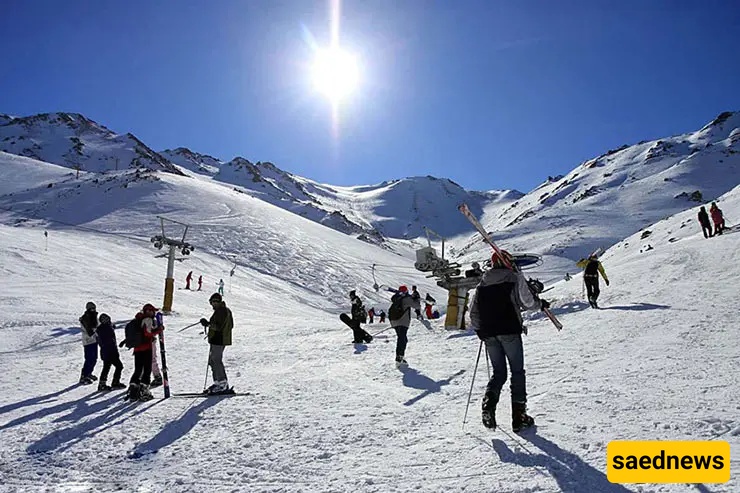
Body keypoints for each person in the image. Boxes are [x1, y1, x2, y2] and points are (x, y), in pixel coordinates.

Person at [469, 250, 549, 432]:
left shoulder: (482, 284)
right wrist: (541, 304)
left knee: (499, 373)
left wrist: (480, 331)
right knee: (517, 372)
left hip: (489, 333)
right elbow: (527, 302)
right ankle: (519, 417)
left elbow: (473, 312)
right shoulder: (514, 277)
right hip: (509, 329)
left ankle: (488, 405)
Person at [126, 303, 164, 401]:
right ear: (148, 311)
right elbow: (148, 333)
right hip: (146, 348)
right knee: (147, 370)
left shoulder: (137, 320)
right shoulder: (147, 319)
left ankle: (133, 391)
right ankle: (144, 391)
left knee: (138, 369)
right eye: (152, 311)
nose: (153, 313)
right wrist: (159, 330)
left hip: (137, 348)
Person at [199, 293, 234, 394]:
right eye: (212, 302)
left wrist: (208, 324)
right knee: (212, 361)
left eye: (216, 301)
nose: (214, 304)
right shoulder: (220, 311)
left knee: (216, 360)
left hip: (219, 339)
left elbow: (219, 326)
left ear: (219, 302)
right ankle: (218, 382)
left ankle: (222, 383)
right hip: (216, 339)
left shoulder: (222, 311)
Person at [95, 313, 125, 391]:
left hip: (105, 352)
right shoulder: (107, 328)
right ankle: (115, 382)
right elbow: (110, 341)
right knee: (119, 366)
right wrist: (114, 352)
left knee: (106, 367)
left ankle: (102, 383)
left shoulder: (101, 329)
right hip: (110, 351)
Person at [389, 285, 417, 367]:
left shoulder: (396, 298)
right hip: (402, 322)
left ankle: (400, 356)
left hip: (394, 321)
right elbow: (417, 306)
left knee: (403, 339)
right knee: (402, 339)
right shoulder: (406, 299)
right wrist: (416, 299)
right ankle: (399, 357)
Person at [78, 302, 99, 384]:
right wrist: (96, 331)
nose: (93, 310)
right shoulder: (85, 318)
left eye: (94, 308)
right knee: (89, 359)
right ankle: (84, 376)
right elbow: (89, 331)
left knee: (94, 358)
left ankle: (89, 373)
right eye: (91, 308)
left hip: (94, 340)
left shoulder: (94, 316)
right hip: (88, 341)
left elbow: (98, 325)